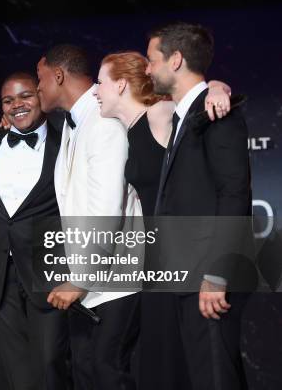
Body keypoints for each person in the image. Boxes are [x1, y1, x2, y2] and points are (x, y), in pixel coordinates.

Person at [94, 50, 233, 389]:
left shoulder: (159, 113)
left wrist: (218, 87)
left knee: (186, 360)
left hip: (184, 257)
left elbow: (198, 103)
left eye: (100, 83)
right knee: (159, 361)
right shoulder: (128, 129)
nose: (96, 91)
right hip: (156, 261)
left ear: (121, 84)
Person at [146, 22, 252, 390]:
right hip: (187, 277)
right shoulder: (189, 114)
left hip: (208, 279)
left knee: (216, 379)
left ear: (175, 60)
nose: (147, 69)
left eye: (151, 59)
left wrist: (217, 274)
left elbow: (234, 194)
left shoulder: (217, 115)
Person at [36, 44, 140, 390]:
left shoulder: (105, 121)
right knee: (85, 373)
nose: (38, 89)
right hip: (88, 284)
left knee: (107, 373)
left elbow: (107, 209)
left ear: (58, 75)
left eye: (40, 79)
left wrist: (80, 279)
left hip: (116, 280)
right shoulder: (73, 124)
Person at [0, 72, 67, 389]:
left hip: (48, 275)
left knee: (50, 364)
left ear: (41, 96)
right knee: (17, 371)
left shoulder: (66, 143)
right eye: (8, 100)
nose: (17, 104)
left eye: (25, 96)